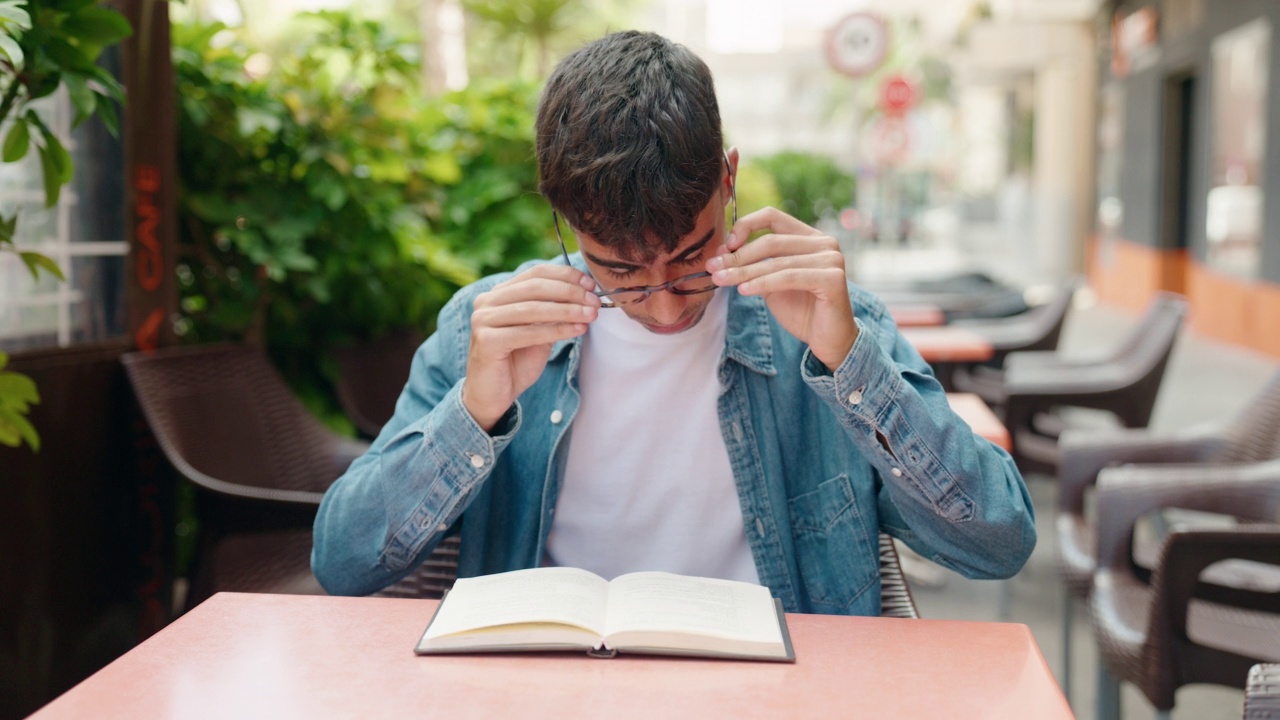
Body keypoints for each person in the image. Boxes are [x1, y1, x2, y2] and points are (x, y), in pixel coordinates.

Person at [312, 30, 1035, 615]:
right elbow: (342, 564)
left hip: (777, 693)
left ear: (728, 180)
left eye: (691, 260)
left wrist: (853, 368)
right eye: (620, 272)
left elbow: (1000, 542)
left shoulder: (822, 322)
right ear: (564, 221)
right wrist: (473, 412)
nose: (663, 304)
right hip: (545, 691)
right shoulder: (489, 329)